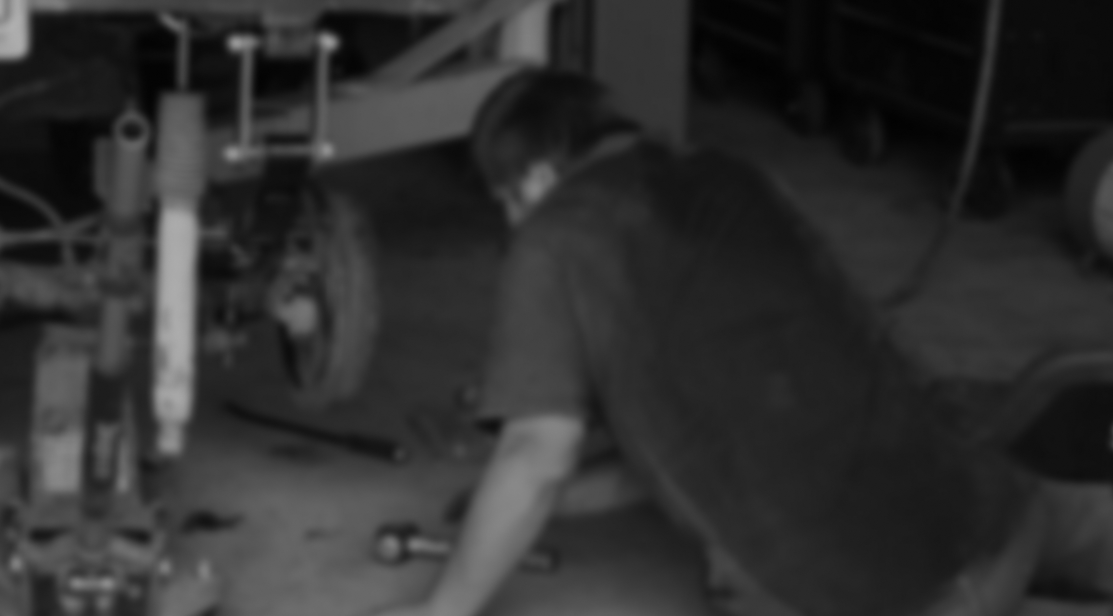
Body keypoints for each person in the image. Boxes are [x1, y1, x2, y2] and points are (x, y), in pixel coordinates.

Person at [365, 67, 1113, 616]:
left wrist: (442, 610)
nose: (510, 226)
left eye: (505, 202)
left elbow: (535, 454)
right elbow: (694, 447)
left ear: (534, 174)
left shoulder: (560, 239)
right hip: (1004, 517)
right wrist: (544, 509)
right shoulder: (730, 175)